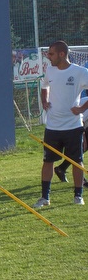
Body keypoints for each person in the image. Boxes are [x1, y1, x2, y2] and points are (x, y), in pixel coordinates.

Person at [33, 40, 88, 208]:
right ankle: (45, 197)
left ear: (62, 54)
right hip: (53, 127)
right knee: (47, 161)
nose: (48, 56)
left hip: (73, 126)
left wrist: (81, 108)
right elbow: (44, 87)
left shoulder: (80, 72)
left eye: (51, 54)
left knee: (77, 161)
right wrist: (44, 100)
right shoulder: (49, 70)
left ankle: (78, 195)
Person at [54, 96, 88, 187]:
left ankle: (61, 168)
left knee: (79, 151)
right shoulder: (85, 104)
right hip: (71, 123)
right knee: (79, 150)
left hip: (81, 123)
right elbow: (81, 120)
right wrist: (83, 137)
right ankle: (82, 180)